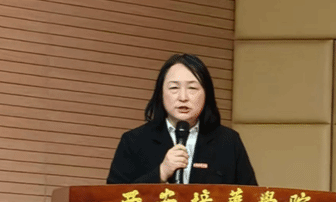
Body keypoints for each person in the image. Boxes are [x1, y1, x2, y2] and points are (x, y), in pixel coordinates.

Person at [106, 53, 258, 185]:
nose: (183, 97)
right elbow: (112, 199)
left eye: (192, 88)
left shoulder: (228, 142)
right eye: (174, 88)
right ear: (161, 93)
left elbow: (251, 200)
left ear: (206, 94)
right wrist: (161, 173)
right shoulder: (134, 141)